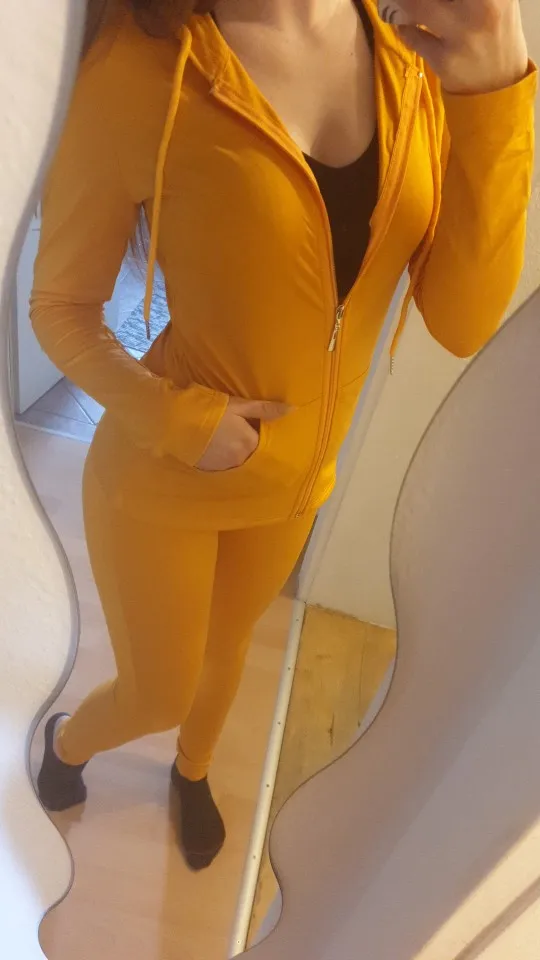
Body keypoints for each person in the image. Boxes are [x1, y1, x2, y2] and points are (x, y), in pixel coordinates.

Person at [33, 0, 535, 870]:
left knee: (226, 657)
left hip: (296, 485)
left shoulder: (408, 54)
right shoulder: (142, 67)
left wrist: (496, 97)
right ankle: (66, 742)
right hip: (163, 478)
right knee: (159, 692)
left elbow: (462, 321)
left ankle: (193, 772)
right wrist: (184, 421)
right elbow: (59, 308)